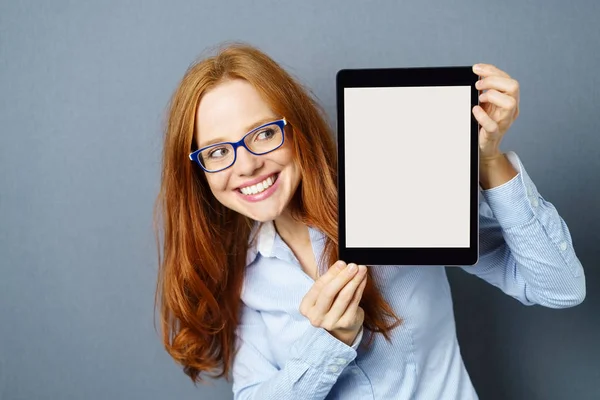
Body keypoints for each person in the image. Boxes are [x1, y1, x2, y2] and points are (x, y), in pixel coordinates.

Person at [154, 43, 586, 400]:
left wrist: (489, 161)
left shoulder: (395, 198)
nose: (245, 165)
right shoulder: (243, 277)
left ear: (297, 128)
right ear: (199, 171)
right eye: (216, 151)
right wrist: (331, 343)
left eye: (264, 133)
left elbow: (560, 287)